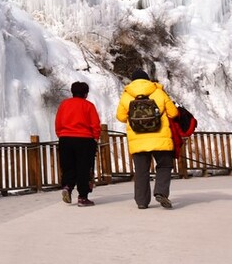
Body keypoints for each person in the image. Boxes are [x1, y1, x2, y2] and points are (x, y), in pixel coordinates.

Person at [116, 69, 180, 209]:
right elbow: (173, 113)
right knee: (164, 166)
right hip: (160, 139)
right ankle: (161, 192)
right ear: (148, 79)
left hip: (138, 140)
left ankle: (142, 202)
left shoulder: (127, 95)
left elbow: (120, 117)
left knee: (141, 171)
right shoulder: (158, 91)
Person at [55, 80, 101, 206]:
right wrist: (95, 138)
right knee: (84, 168)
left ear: (72, 92)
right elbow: (95, 124)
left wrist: (61, 135)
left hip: (65, 139)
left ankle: (67, 187)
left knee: (68, 166)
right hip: (84, 140)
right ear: (86, 94)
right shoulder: (88, 106)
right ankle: (82, 197)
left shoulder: (64, 104)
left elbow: (58, 122)